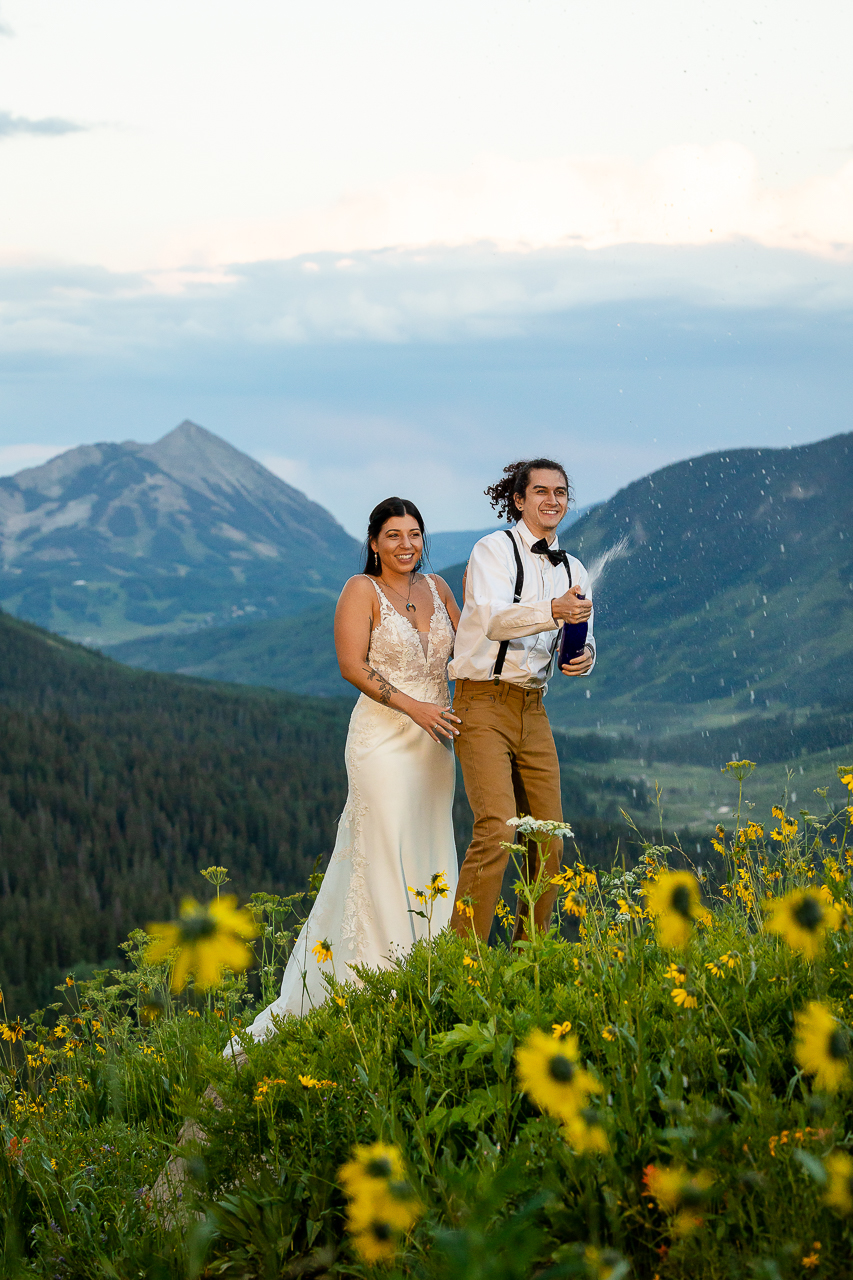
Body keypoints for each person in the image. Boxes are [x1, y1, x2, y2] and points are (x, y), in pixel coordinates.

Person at [234, 496, 461, 1046]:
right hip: (383, 739)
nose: (405, 545)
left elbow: (471, 653)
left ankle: (430, 970)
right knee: (383, 847)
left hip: (436, 748)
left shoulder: (441, 590)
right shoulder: (361, 590)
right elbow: (351, 665)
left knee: (430, 847)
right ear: (375, 542)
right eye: (393, 535)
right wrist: (416, 706)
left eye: (414, 534)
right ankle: (380, 981)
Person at [448, 458, 595, 943]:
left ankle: (530, 958)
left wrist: (584, 657)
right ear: (519, 499)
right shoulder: (493, 549)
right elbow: (493, 620)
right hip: (482, 701)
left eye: (561, 492)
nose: (553, 500)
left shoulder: (574, 568)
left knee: (550, 835)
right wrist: (553, 609)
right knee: (497, 829)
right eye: (541, 491)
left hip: (534, 707)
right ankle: (462, 961)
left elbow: (582, 638)